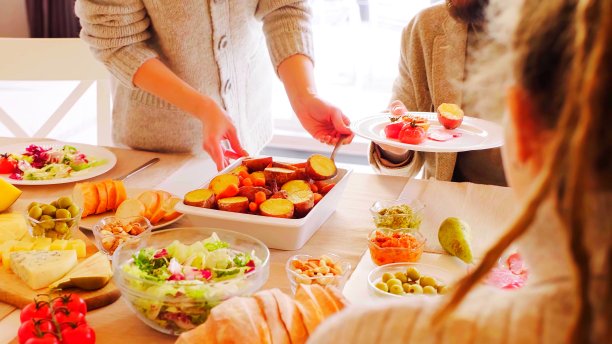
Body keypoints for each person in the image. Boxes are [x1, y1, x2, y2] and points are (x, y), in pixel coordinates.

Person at [310, 0, 610, 342]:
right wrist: (396, 142)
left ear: (521, 123)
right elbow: (402, 148)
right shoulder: (426, 28)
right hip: (453, 217)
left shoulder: (365, 333)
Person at [75, 0, 353, 171]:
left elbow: (285, 7)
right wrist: (203, 107)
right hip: (159, 151)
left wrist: (304, 95)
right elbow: (118, 41)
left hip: (247, 127)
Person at [369, 0, 508, 186]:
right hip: (447, 199)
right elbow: (400, 169)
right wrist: (394, 150)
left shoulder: (556, 32)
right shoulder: (425, 26)